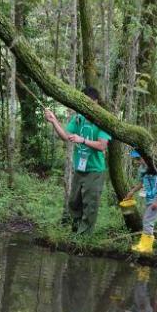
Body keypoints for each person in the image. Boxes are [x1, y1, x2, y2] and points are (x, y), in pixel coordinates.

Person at [43, 87, 111, 236]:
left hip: (95, 170)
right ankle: (75, 232)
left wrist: (83, 140)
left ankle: (83, 238)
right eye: (82, 102)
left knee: (90, 205)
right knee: (74, 202)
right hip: (80, 169)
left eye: (87, 102)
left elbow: (102, 145)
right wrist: (54, 121)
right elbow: (66, 136)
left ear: (95, 102)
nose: (84, 105)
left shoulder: (102, 120)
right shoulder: (78, 118)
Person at [123, 150, 157, 254]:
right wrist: (131, 192)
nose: (137, 161)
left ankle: (146, 247)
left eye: (139, 158)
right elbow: (141, 183)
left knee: (148, 221)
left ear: (145, 157)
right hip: (150, 198)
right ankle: (144, 244)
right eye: (136, 159)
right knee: (146, 220)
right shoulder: (142, 169)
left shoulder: (155, 169)